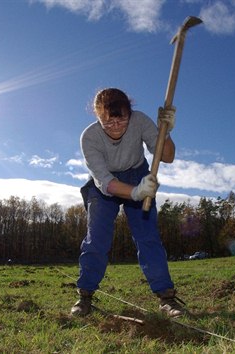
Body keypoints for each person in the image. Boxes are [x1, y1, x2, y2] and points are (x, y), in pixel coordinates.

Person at [71, 88, 185, 318]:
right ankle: (85, 297)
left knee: (148, 237)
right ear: (98, 116)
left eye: (121, 119)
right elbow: (104, 183)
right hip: (104, 185)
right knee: (97, 239)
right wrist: (135, 192)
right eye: (107, 121)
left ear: (129, 114)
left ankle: (167, 298)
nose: (115, 126)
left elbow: (168, 156)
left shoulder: (140, 121)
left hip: (136, 174)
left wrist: (167, 133)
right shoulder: (89, 137)